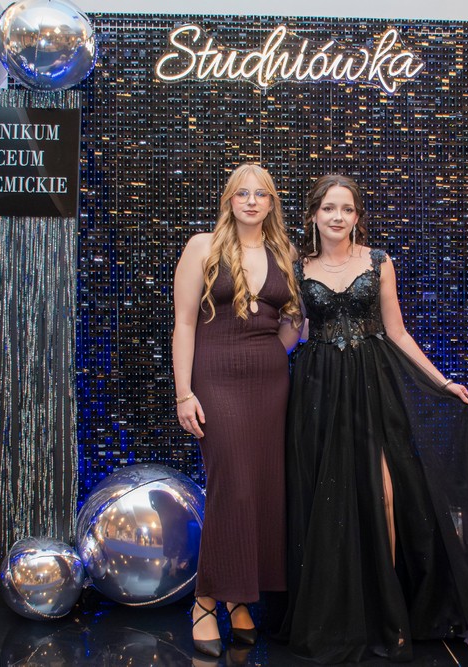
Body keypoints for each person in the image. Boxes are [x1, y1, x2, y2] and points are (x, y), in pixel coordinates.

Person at [282, 174, 468, 663]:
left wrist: (442, 382)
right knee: (328, 499)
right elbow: (292, 334)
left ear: (357, 216)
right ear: (314, 214)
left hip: (373, 385)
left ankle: (386, 611)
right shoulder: (297, 268)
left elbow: (398, 332)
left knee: (383, 493)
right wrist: (244, 360)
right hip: (318, 388)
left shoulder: (379, 261)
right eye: (328, 208)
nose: (337, 216)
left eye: (346, 208)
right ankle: (343, 612)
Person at [172, 163, 302, 658]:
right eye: (242, 193)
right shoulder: (202, 246)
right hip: (216, 378)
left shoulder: (285, 251)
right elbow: (185, 324)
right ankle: (206, 601)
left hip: (270, 385)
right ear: (229, 200)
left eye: (261, 194)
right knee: (234, 488)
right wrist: (184, 393)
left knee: (264, 490)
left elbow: (291, 322)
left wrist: (272, 351)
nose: (251, 201)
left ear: (271, 203)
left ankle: (239, 598)